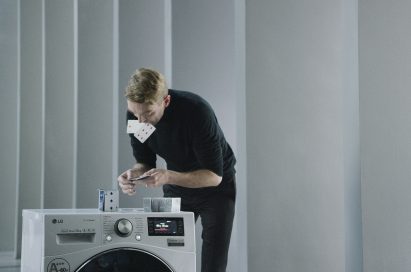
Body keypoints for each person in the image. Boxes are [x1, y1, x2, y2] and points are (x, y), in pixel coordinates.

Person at [117, 68, 236, 272]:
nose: (141, 121)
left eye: (148, 113)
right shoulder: (136, 115)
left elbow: (214, 176)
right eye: (135, 113)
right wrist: (134, 174)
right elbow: (145, 162)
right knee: (165, 256)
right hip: (176, 184)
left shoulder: (197, 112)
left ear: (166, 101)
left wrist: (168, 176)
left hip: (217, 188)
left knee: (213, 263)